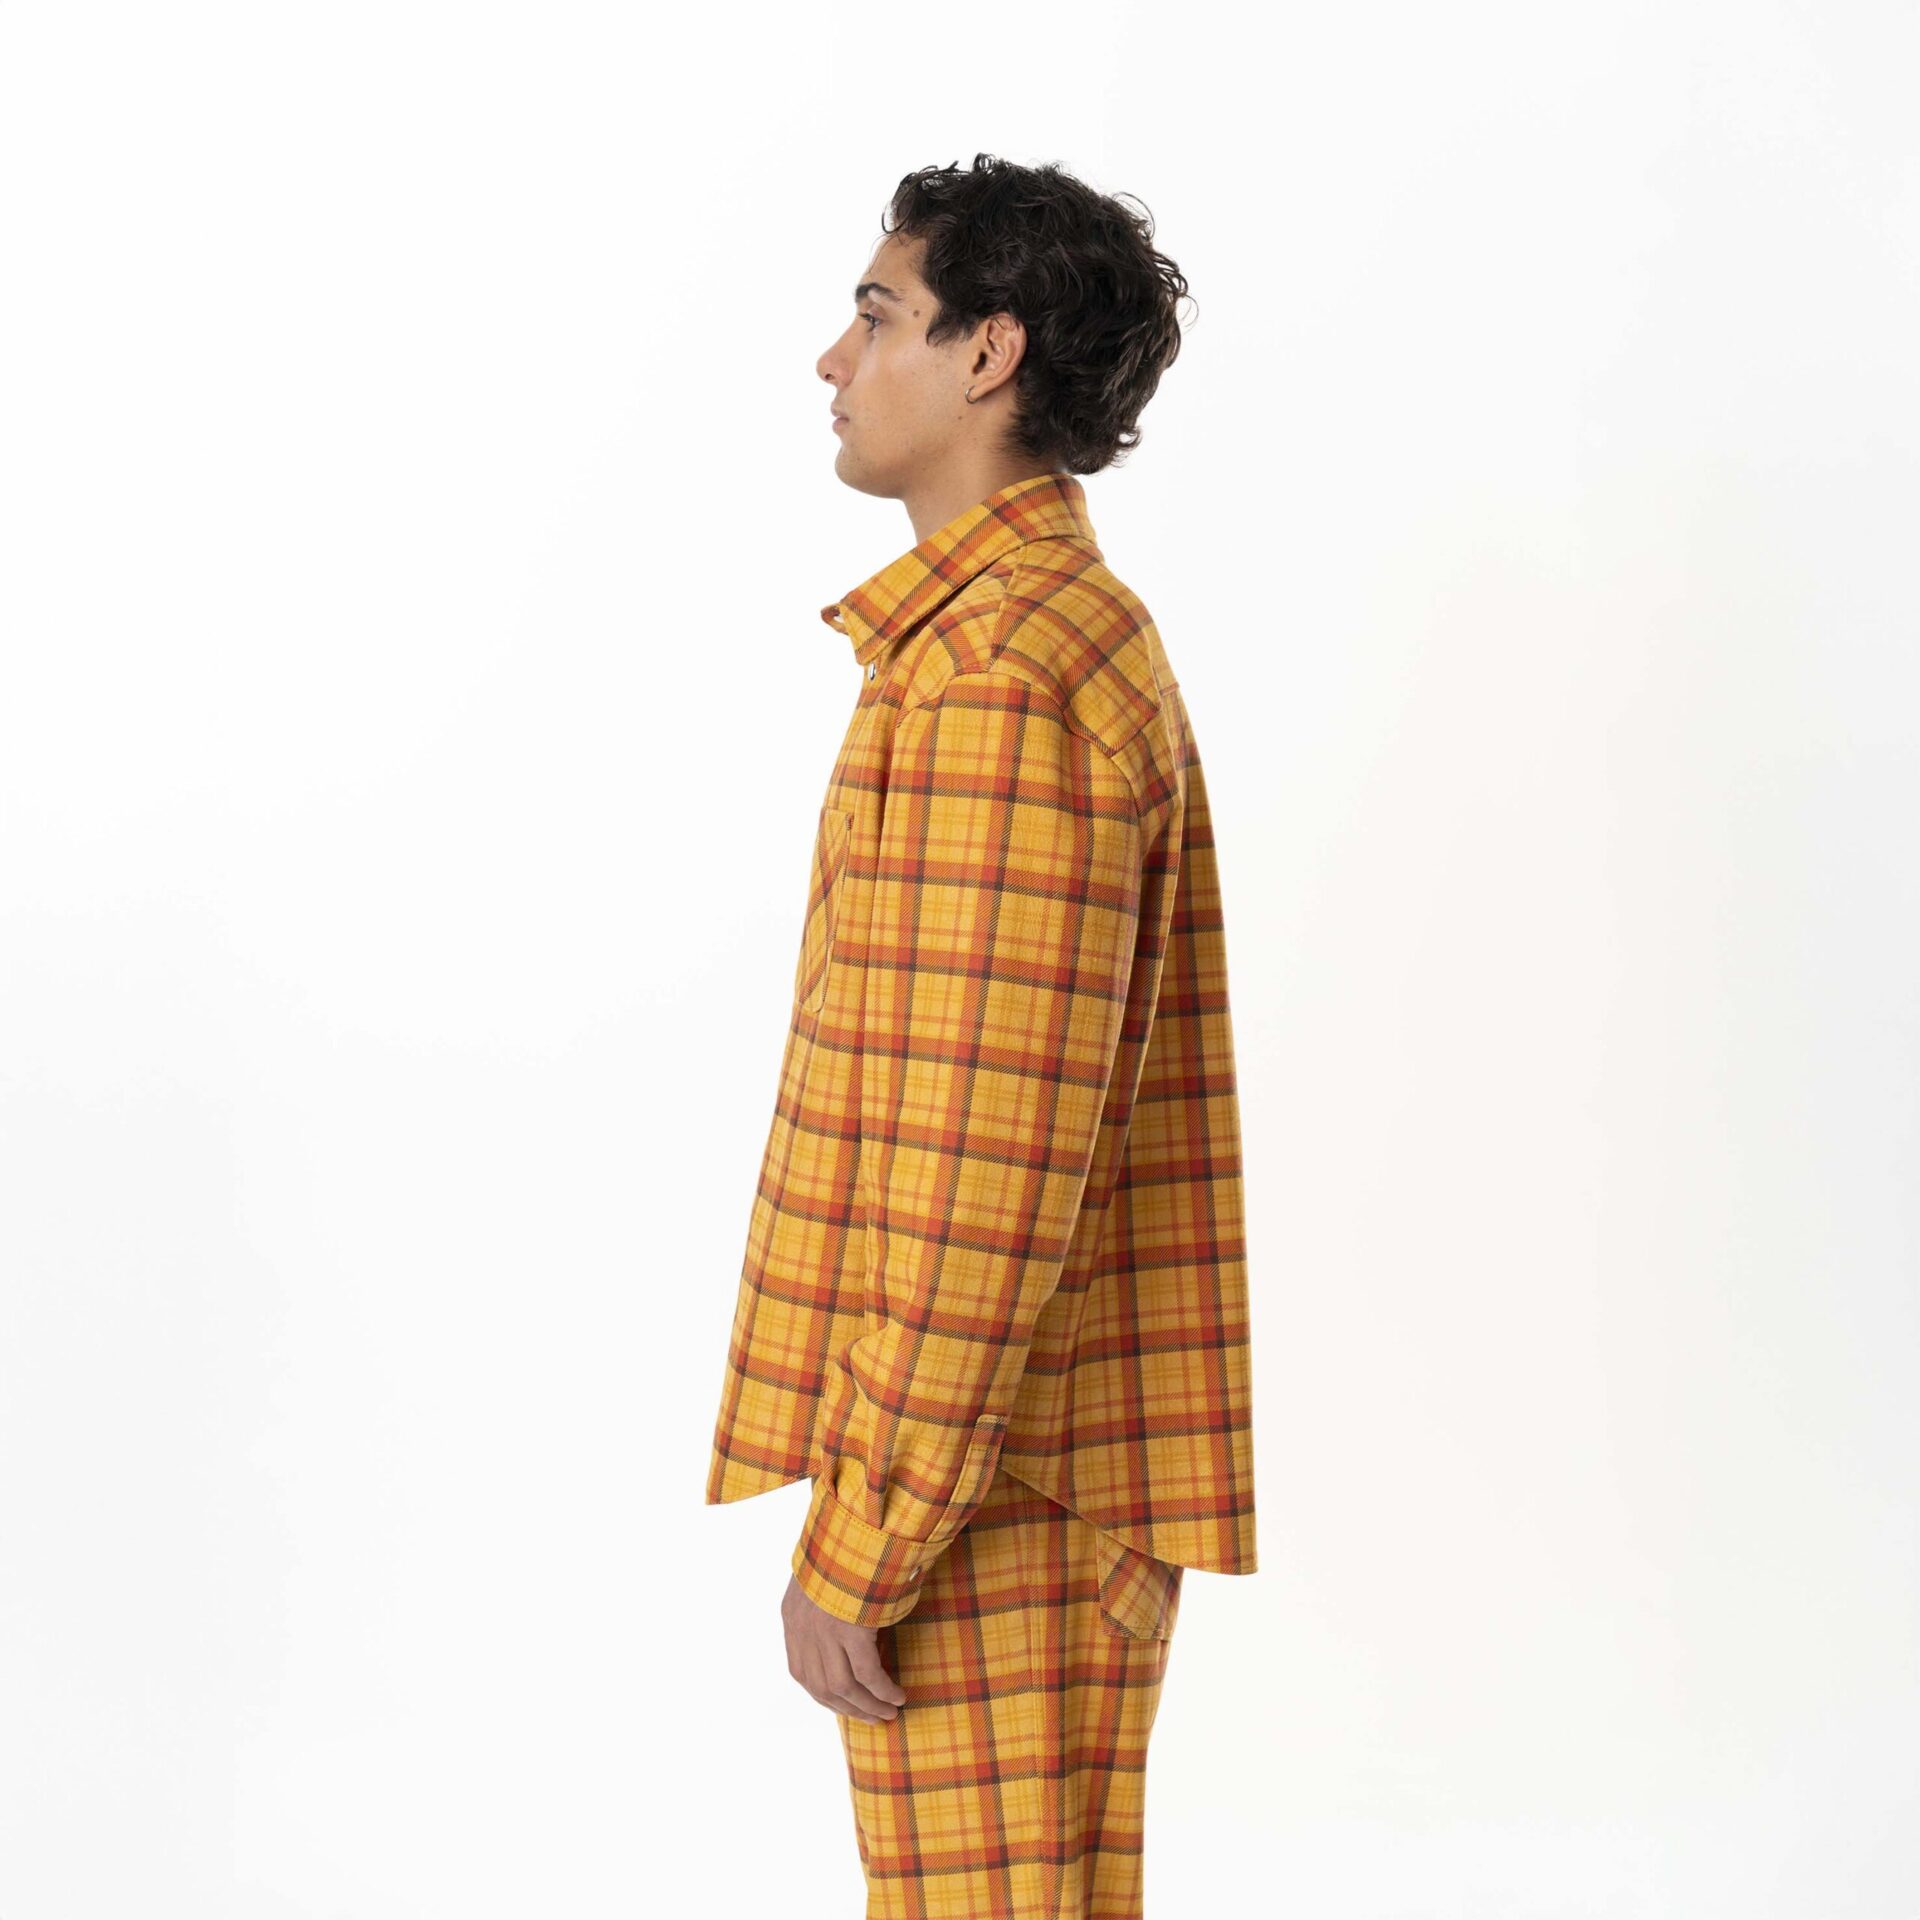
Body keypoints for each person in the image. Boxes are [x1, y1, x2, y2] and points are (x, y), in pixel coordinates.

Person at [704, 151, 1258, 1919]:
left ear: (988, 354)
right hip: (1008, 1474)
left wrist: (868, 1536)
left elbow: (979, 1175)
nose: (834, 360)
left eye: (879, 316)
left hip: (995, 1499)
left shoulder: (1001, 679)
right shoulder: (1008, 644)